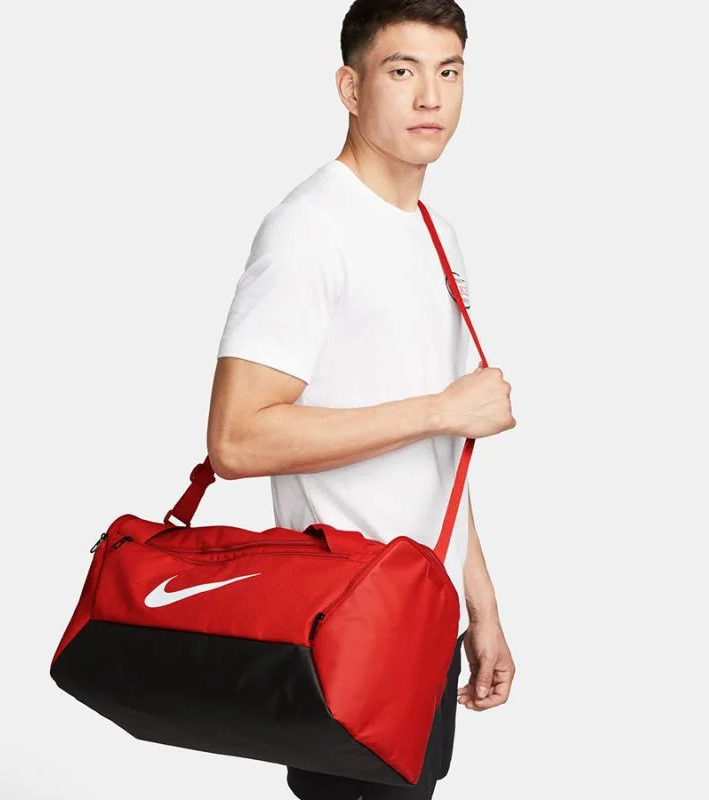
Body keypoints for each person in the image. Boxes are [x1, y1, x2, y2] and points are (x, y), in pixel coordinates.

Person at [208, 1, 516, 797]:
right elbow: (237, 440)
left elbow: (437, 460)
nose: (430, 97)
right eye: (402, 71)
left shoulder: (436, 233)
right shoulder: (310, 229)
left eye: (449, 72)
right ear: (351, 88)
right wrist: (440, 409)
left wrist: (481, 609)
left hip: (422, 620)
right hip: (344, 622)